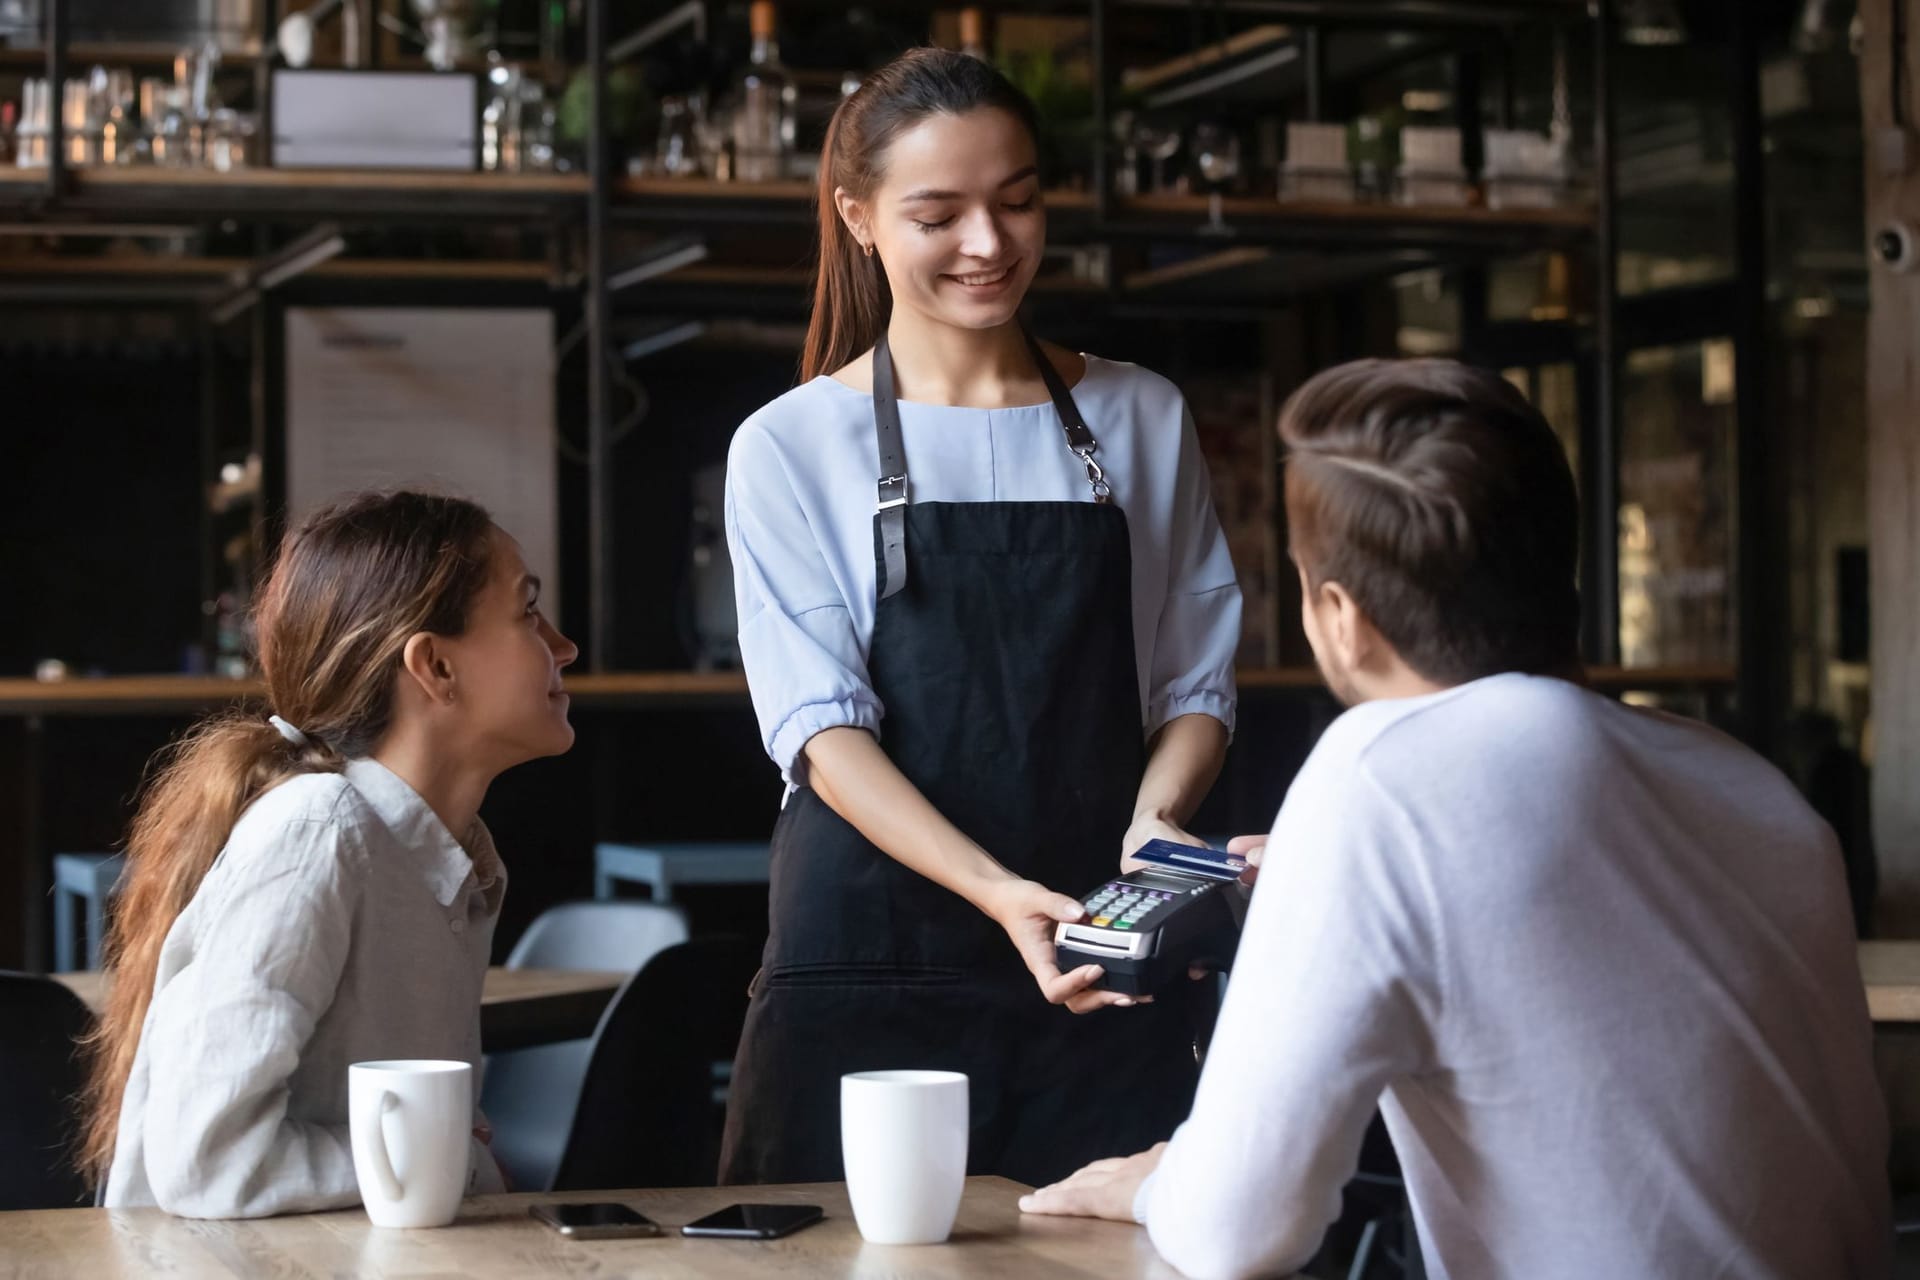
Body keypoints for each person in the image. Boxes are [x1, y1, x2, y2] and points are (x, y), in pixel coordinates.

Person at [1020, 359, 1891, 1279]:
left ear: (1340, 617)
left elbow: (1243, 1232)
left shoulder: (1377, 774)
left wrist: (1160, 1184)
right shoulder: (1753, 786)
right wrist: (1334, 878)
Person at [719, 47, 1241, 1188]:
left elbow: (1194, 683)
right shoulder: (790, 444)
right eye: (938, 213)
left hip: (1095, 961)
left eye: (1016, 202)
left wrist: (1156, 824)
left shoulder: (1140, 415)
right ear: (859, 218)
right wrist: (996, 891)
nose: (989, 245)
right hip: (871, 965)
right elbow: (822, 732)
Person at [79, 489, 579, 1218]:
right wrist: (451, 1160)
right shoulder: (319, 833)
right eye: (526, 611)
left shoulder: (447, 857)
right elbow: (208, 1163)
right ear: (435, 667)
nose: (562, 646)